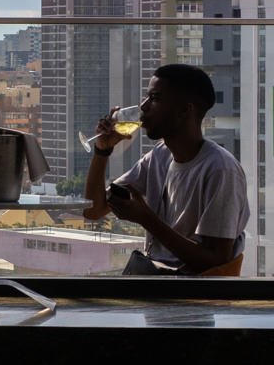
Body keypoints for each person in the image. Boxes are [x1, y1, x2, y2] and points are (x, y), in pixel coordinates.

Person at [83, 63, 249, 275]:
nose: (143, 107)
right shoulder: (159, 156)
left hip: (192, 299)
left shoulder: (220, 170)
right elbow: (93, 210)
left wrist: (146, 219)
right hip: (156, 283)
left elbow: (215, 259)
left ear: (184, 110)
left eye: (154, 99)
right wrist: (102, 150)